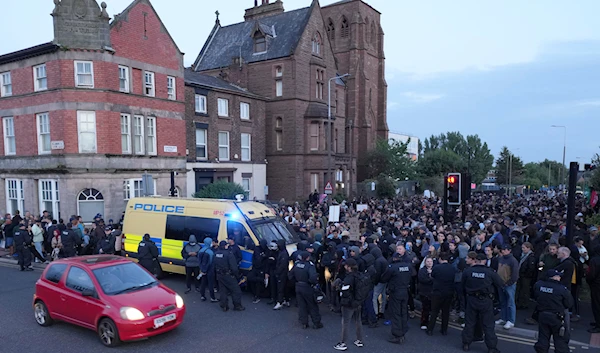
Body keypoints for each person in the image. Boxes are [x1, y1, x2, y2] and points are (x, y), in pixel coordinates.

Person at [462, 253, 504, 353]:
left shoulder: (468, 271)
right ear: (484, 261)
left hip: (472, 299)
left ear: (476, 260)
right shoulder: (490, 272)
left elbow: (462, 286)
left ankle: (466, 343)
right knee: (488, 324)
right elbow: (500, 283)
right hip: (486, 301)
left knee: (470, 322)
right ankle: (491, 347)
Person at [533, 269, 574, 353]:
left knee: (543, 338)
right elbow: (569, 304)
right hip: (557, 317)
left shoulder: (538, 285)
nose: (559, 278)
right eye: (558, 276)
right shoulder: (562, 289)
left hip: (542, 315)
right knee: (560, 341)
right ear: (554, 277)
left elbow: (535, 296)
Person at [381, 252, 413, 344]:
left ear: (394, 259)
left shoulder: (392, 268)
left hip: (395, 292)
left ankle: (397, 335)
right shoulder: (408, 266)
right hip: (405, 291)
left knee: (396, 313)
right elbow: (412, 275)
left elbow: (384, 278)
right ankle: (403, 331)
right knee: (403, 312)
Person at [334, 258, 365, 351]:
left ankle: (343, 343)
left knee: (346, 323)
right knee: (358, 321)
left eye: (346, 265)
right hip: (358, 301)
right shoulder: (359, 275)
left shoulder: (349, 278)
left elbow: (345, 291)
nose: (344, 266)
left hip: (348, 304)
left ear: (349, 267)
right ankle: (359, 340)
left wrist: (340, 289)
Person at [288, 251, 323, 329]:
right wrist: (313, 283)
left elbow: (290, 275)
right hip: (307, 287)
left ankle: (304, 322)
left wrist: (296, 282)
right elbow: (313, 278)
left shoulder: (297, 264)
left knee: (302, 305)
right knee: (312, 305)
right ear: (307, 257)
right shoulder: (309, 266)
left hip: (298, 286)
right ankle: (316, 323)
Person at [427, 252, 456, 336]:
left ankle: (430, 329)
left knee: (434, 311)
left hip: (437, 292)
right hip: (448, 292)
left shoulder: (437, 267)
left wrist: (430, 272)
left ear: (440, 259)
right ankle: (444, 330)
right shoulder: (452, 268)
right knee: (445, 312)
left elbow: (432, 276)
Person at [214, 240, 244, 311]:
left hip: (219, 275)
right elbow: (234, 267)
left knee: (223, 291)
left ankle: (224, 306)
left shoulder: (216, 253)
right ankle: (237, 306)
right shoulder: (229, 254)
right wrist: (237, 276)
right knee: (236, 290)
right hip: (228, 275)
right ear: (225, 246)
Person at [496, 243, 519, 330]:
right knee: (503, 302)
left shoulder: (513, 260)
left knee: (510, 303)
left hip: (509, 285)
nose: (503, 251)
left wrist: (509, 283)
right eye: (503, 249)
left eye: (505, 250)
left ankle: (511, 321)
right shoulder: (501, 259)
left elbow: (515, 274)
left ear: (509, 250)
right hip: (501, 283)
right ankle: (503, 318)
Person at [516, 242, 537, 310]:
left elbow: (531, 268)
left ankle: (524, 303)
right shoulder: (524, 255)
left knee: (525, 290)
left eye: (524, 248)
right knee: (521, 289)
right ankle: (520, 302)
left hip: (526, 276)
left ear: (529, 248)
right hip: (522, 275)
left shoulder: (531, 257)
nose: (522, 249)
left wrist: (525, 274)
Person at [198, 237, 218, 302]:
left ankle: (202, 296)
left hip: (203, 270)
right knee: (210, 284)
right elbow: (210, 262)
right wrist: (206, 269)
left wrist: (202, 269)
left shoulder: (200, 250)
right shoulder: (210, 252)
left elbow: (199, 261)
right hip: (210, 270)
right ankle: (212, 297)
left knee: (203, 283)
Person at [418, 256, 434, 330]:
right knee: (425, 308)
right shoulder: (422, 270)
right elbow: (423, 280)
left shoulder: (435, 270)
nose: (429, 263)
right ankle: (424, 322)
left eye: (431, 261)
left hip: (433, 292)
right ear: (425, 262)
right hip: (424, 292)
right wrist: (431, 278)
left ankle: (430, 322)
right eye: (428, 261)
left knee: (432, 308)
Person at [274, 239, 290, 309]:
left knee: (280, 288)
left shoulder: (283, 254)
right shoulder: (284, 252)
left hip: (281, 273)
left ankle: (280, 302)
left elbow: (282, 265)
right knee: (285, 286)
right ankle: (286, 300)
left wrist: (277, 272)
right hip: (284, 272)